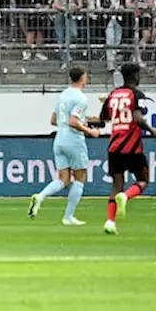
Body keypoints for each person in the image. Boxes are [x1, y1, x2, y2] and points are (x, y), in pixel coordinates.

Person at [28, 66, 102, 226]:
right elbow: (73, 121)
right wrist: (90, 131)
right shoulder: (81, 98)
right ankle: (68, 217)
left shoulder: (63, 95)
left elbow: (54, 120)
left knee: (64, 179)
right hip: (73, 139)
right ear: (82, 78)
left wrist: (86, 119)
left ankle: (40, 196)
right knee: (80, 177)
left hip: (59, 138)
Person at [100, 63, 154, 235]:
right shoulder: (136, 94)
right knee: (143, 179)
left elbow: (103, 117)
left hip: (114, 145)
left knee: (116, 184)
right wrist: (151, 130)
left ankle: (110, 221)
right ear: (136, 75)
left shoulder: (113, 94)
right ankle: (126, 196)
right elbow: (138, 118)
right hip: (133, 147)